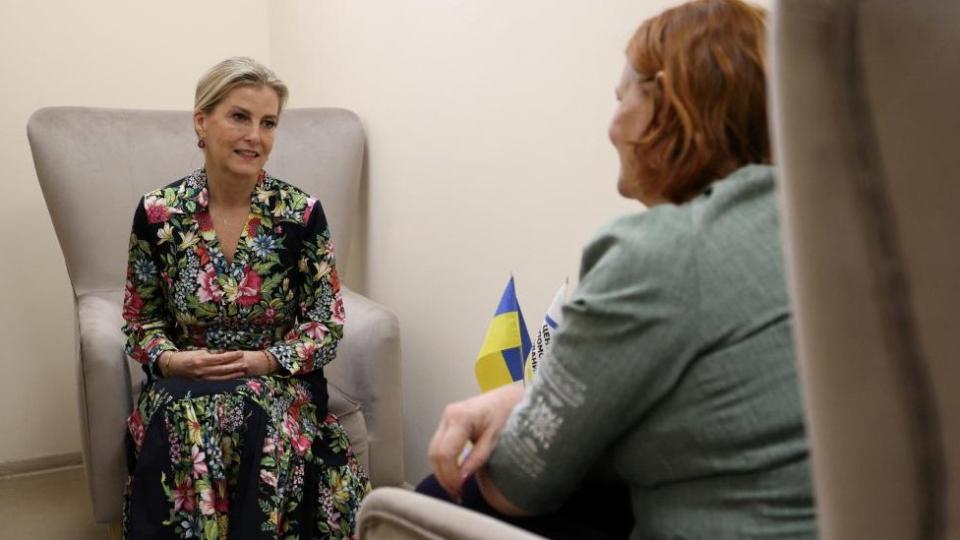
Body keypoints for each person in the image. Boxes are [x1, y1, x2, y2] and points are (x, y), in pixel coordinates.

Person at [422, 1, 817, 538]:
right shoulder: (830, 230)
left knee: (443, 488)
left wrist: (506, 402)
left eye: (619, 98)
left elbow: (520, 483)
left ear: (665, 103)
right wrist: (520, 399)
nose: (610, 127)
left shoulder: (657, 254)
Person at [121, 57, 369, 539]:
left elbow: (325, 324)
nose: (255, 135)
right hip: (184, 381)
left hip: (277, 379)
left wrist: (264, 361)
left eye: (268, 122)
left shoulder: (301, 214)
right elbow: (138, 322)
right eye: (239, 116)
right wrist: (173, 361)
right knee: (184, 415)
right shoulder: (157, 215)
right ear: (202, 120)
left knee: (257, 416)